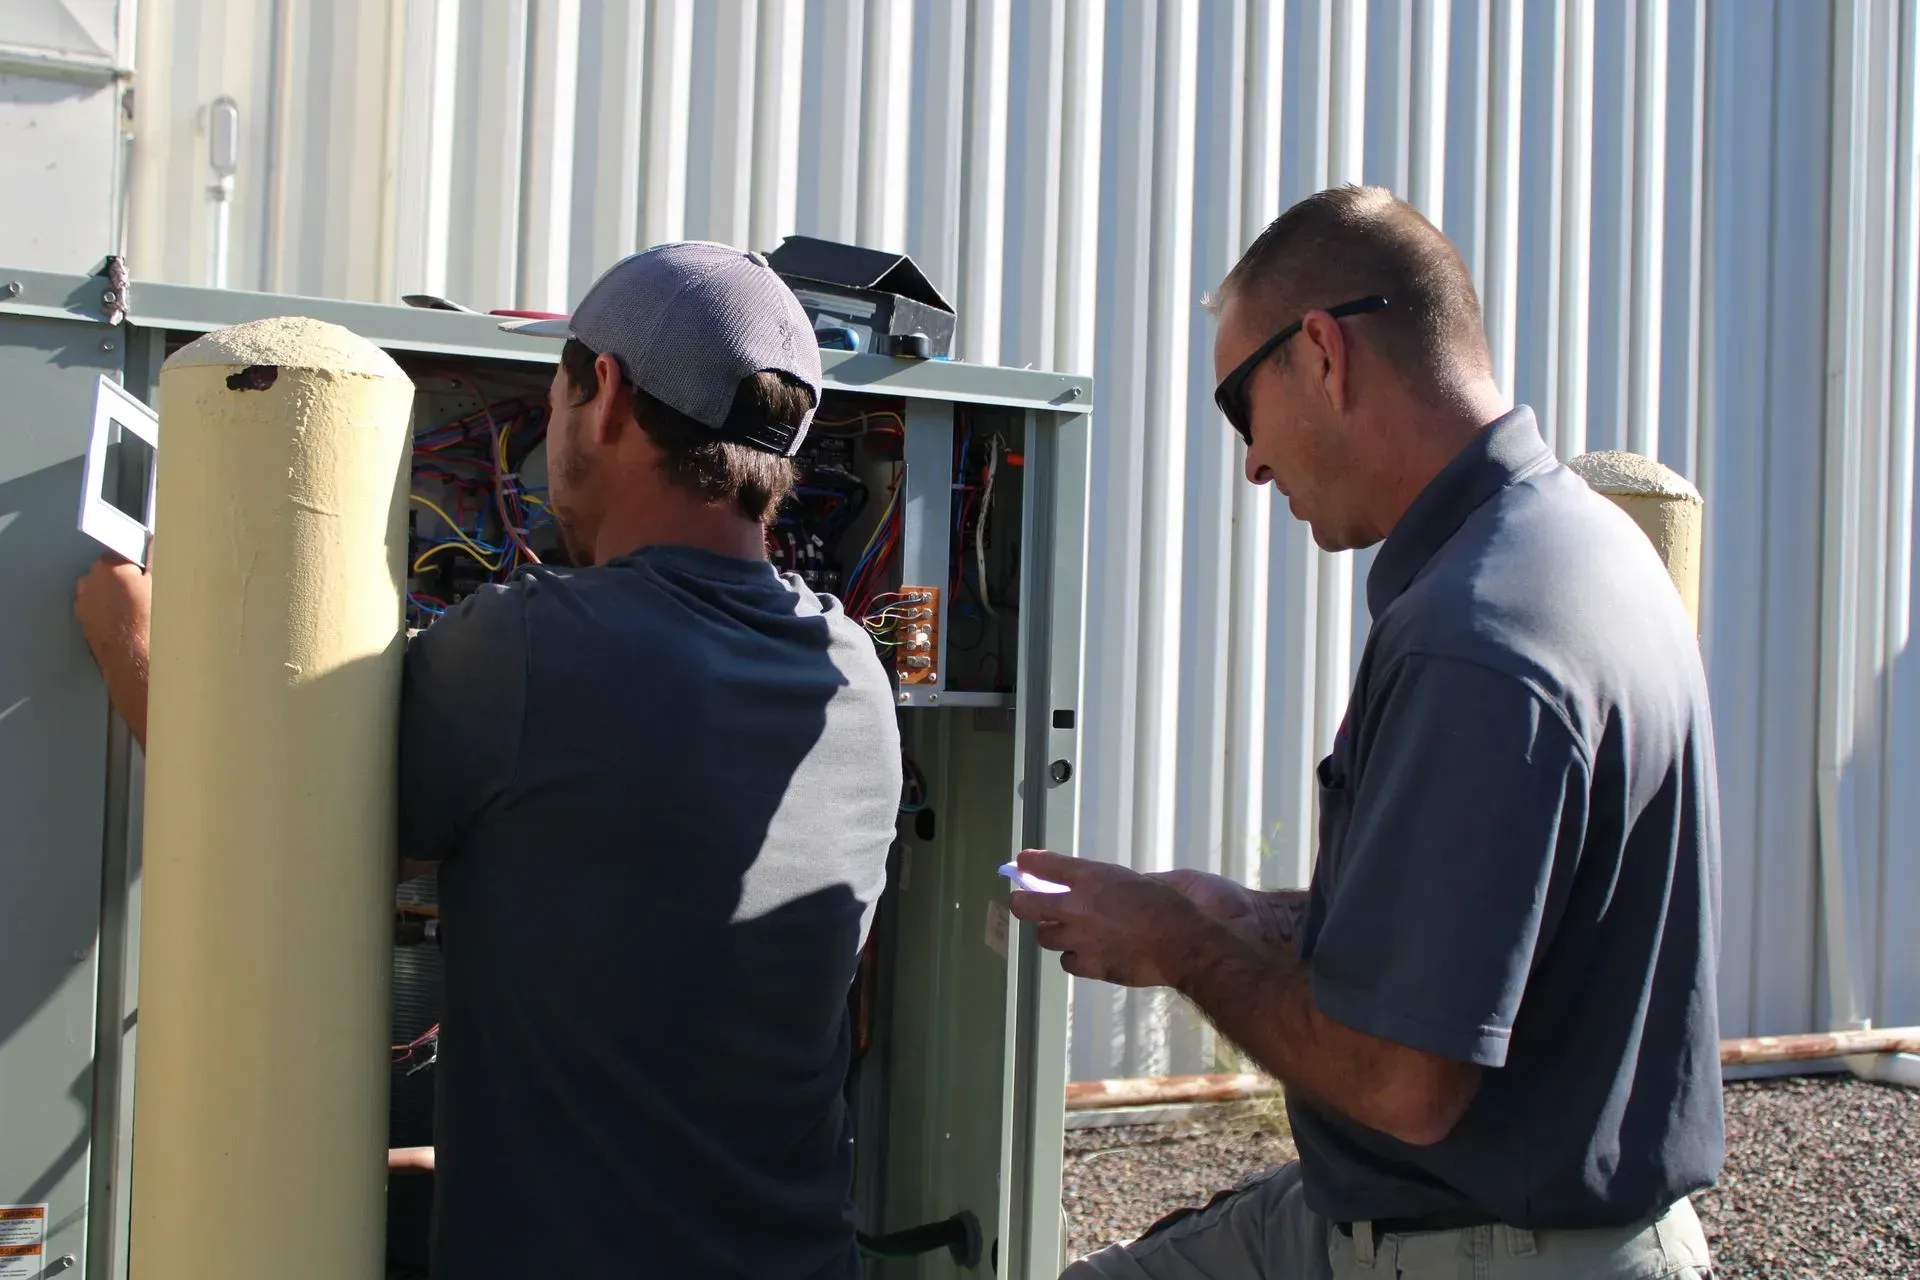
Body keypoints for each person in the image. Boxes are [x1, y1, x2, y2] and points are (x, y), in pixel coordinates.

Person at [74, 242, 901, 1279]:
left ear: (601, 392)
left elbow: (285, 829)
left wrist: (126, 632)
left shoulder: (529, 648)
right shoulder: (859, 676)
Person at [1010, 186, 1722, 1280]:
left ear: (1326, 354)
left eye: (1238, 409)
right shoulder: (1575, 545)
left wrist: (1182, 946)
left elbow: (1405, 1080)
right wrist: (1249, 915)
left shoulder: (1475, 636)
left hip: (1490, 1245)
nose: (1249, 462)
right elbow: (1500, 923)